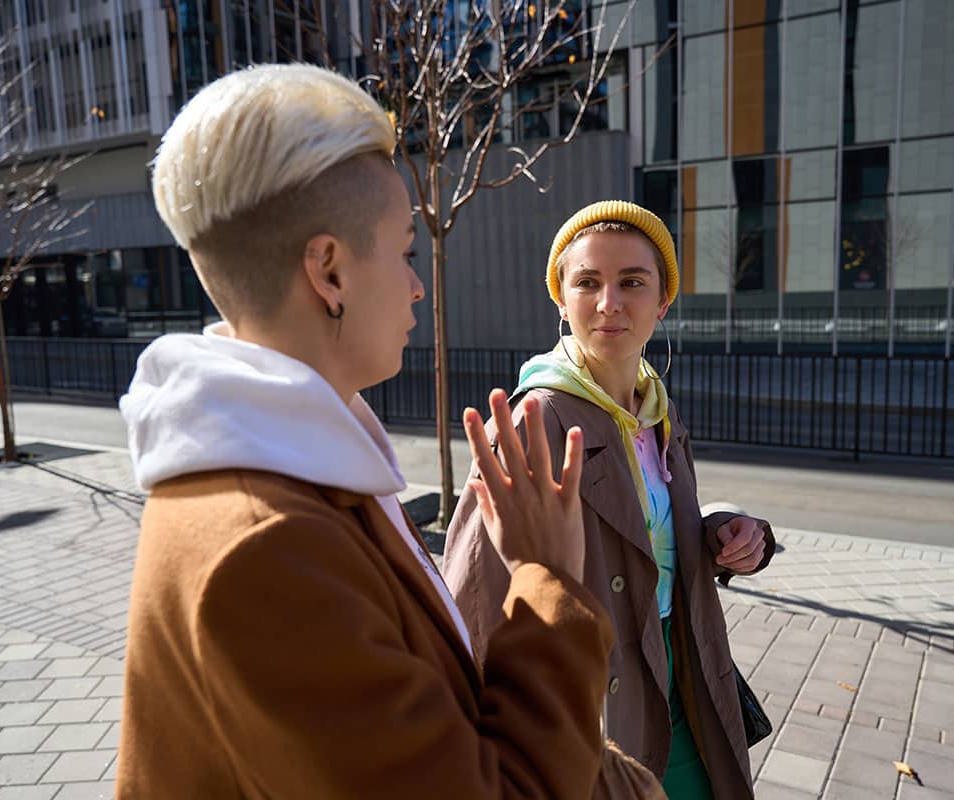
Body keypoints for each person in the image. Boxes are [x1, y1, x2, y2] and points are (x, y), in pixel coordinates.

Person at [115, 64, 617, 798]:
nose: (418, 285)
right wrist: (548, 581)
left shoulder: (300, 476)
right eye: (406, 251)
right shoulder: (266, 546)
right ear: (329, 272)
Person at [443, 200, 777, 799]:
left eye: (632, 282)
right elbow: (474, 600)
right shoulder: (534, 419)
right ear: (561, 300)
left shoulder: (656, 410)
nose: (609, 303)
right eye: (588, 282)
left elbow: (641, 534)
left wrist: (723, 532)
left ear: (662, 302)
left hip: (688, 678)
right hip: (598, 703)